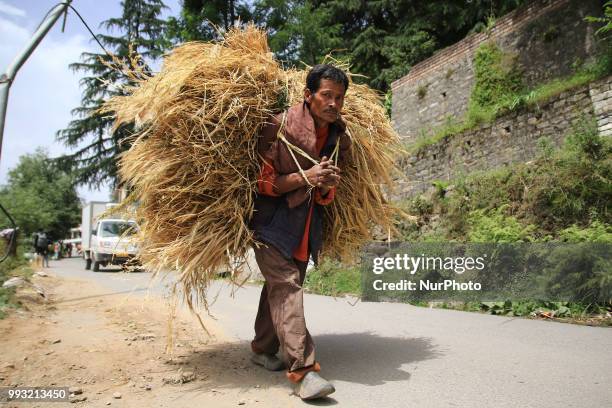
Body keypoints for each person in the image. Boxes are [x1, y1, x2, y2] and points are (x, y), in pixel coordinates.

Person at [248, 64, 351, 400]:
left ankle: (262, 348)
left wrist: (325, 185)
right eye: (327, 95)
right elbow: (262, 182)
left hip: (304, 229)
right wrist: (305, 177)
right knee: (287, 288)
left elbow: (325, 194)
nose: (334, 103)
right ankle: (303, 371)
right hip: (270, 225)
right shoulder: (278, 127)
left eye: (339, 97)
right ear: (308, 96)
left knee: (278, 289)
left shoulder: (338, 138)